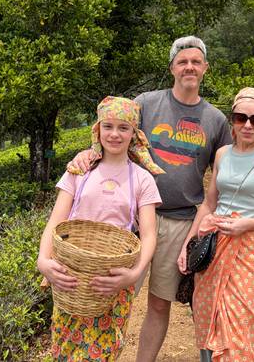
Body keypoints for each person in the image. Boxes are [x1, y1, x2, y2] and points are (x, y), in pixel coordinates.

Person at [67, 36, 232, 362]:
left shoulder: (215, 120)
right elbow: (114, 131)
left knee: (159, 302)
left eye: (196, 62)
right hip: (132, 217)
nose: (189, 67)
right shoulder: (147, 102)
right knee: (112, 294)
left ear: (205, 68)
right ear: (172, 67)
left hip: (179, 221)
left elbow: (228, 168)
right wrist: (90, 152)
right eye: (183, 61)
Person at [37, 96, 164, 361]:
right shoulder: (79, 170)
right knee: (64, 349)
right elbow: (55, 221)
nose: (115, 134)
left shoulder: (142, 179)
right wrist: (43, 261)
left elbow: (150, 234)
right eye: (108, 126)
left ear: (134, 134)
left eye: (123, 127)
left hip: (111, 281)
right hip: (71, 277)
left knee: (102, 352)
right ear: (98, 129)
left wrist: (135, 274)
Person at [178, 87, 254, 361]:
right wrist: (188, 243)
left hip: (252, 247)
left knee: (244, 319)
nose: (247, 125)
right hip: (215, 244)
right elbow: (209, 203)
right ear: (231, 119)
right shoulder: (222, 154)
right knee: (211, 313)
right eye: (240, 117)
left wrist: (246, 224)